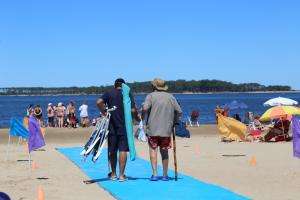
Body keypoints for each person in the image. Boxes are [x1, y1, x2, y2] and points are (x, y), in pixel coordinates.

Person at [96, 78, 140, 182]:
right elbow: (133, 110)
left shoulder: (109, 92)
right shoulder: (127, 94)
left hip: (112, 125)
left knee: (112, 150)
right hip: (124, 126)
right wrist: (137, 118)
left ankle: (113, 174)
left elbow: (99, 102)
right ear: (124, 85)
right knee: (123, 149)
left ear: (115, 85)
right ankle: (121, 175)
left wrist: (104, 112)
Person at [142, 78, 182, 181]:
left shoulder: (150, 96)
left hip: (152, 129)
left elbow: (145, 108)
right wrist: (175, 121)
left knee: (153, 150)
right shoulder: (170, 97)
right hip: (166, 129)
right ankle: (164, 175)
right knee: (164, 152)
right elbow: (179, 111)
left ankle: (155, 174)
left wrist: (142, 116)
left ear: (154, 86)